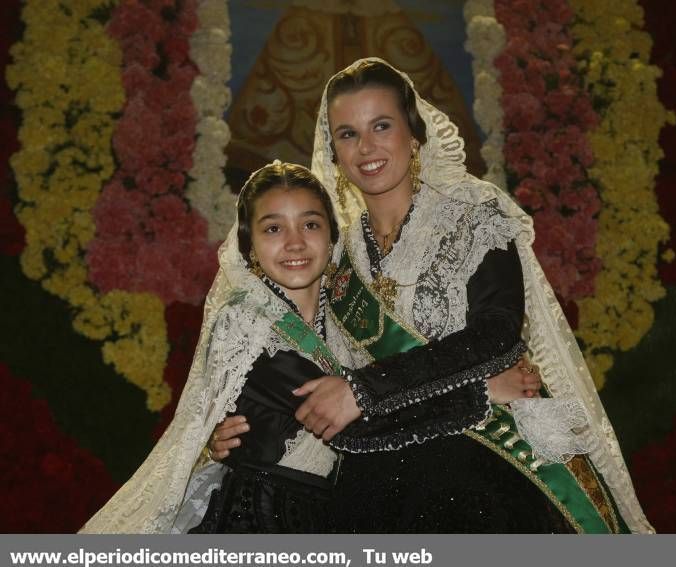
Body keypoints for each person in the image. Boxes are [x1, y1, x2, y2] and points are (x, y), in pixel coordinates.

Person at [213, 59, 654, 534]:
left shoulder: (472, 218)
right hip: (367, 488)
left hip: (478, 472)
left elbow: (497, 335)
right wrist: (224, 437)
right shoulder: (330, 254)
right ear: (333, 151)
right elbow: (286, 360)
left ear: (414, 134)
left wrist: (365, 391)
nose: (366, 148)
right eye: (347, 134)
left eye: (381, 126)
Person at [80, 160, 537, 534]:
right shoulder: (249, 324)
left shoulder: (345, 319)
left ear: (333, 237)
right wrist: (481, 394)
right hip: (259, 523)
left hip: (326, 518)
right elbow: (359, 428)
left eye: (311, 224)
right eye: (273, 229)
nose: (295, 243)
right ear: (250, 247)